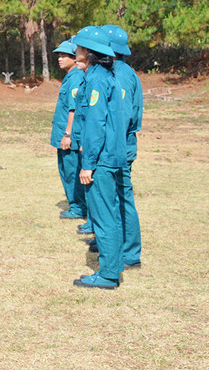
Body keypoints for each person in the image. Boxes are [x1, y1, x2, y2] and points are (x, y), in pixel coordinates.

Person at [70, 26, 127, 289]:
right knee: (109, 214)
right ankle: (111, 270)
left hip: (101, 161)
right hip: (109, 157)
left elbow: (95, 125)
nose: (75, 51)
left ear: (89, 54)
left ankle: (108, 275)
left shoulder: (97, 80)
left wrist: (88, 164)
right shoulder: (102, 76)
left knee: (104, 217)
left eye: (79, 47)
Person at [103, 25, 143, 270]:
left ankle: (129, 252)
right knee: (114, 196)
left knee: (122, 196)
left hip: (119, 146)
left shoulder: (121, 74)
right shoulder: (117, 71)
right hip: (118, 144)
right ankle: (116, 243)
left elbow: (122, 115)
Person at [50, 39, 86, 219]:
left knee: (71, 171)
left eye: (64, 55)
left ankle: (78, 208)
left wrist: (68, 134)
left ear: (74, 57)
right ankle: (77, 205)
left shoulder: (76, 78)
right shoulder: (70, 76)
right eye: (59, 55)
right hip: (63, 133)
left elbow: (73, 108)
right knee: (66, 170)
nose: (60, 58)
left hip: (69, 136)